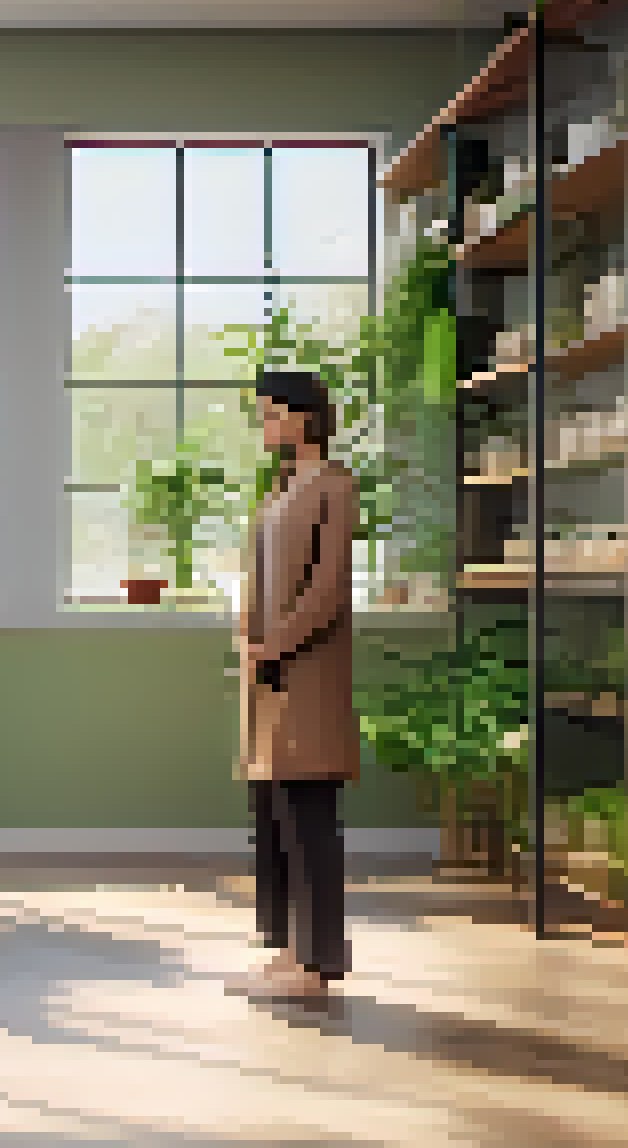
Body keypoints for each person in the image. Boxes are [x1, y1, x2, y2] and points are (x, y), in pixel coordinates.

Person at [231, 371, 358, 998]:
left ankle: (319, 964)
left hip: (307, 670)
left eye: (272, 414)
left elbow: (330, 586)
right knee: (273, 812)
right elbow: (262, 575)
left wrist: (276, 640)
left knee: (310, 814)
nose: (265, 426)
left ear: (304, 417)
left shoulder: (335, 487)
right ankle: (284, 953)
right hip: (270, 673)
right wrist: (249, 635)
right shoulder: (281, 488)